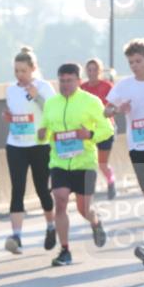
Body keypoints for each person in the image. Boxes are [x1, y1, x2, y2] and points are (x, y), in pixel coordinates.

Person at [37, 63, 113, 266]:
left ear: (79, 81)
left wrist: (89, 134)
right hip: (59, 162)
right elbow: (45, 129)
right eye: (62, 81)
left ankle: (95, 222)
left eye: (70, 80)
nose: (65, 84)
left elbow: (108, 129)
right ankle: (65, 250)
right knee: (60, 201)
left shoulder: (91, 101)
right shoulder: (51, 103)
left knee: (84, 209)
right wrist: (42, 133)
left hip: (84, 162)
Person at [2, 46, 57, 254]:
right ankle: (16, 237)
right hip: (16, 144)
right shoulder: (11, 89)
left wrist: (37, 97)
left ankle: (51, 226)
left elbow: (53, 113)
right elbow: (16, 112)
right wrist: (9, 116)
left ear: (33, 68)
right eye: (16, 71)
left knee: (43, 189)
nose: (20, 75)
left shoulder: (44, 87)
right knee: (17, 189)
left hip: (39, 145)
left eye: (23, 70)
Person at [104, 38, 144, 267]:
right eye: (131, 62)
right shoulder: (124, 86)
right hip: (138, 148)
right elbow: (106, 111)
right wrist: (117, 108)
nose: (134, 65)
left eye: (138, 61)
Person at [82, 58, 118, 200]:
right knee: (89, 162)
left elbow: (115, 105)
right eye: (89, 70)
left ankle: (111, 182)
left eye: (95, 70)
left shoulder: (107, 86)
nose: (92, 73)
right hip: (88, 131)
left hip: (105, 130)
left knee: (102, 163)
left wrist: (110, 111)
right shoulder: (82, 88)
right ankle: (88, 191)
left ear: (100, 71)